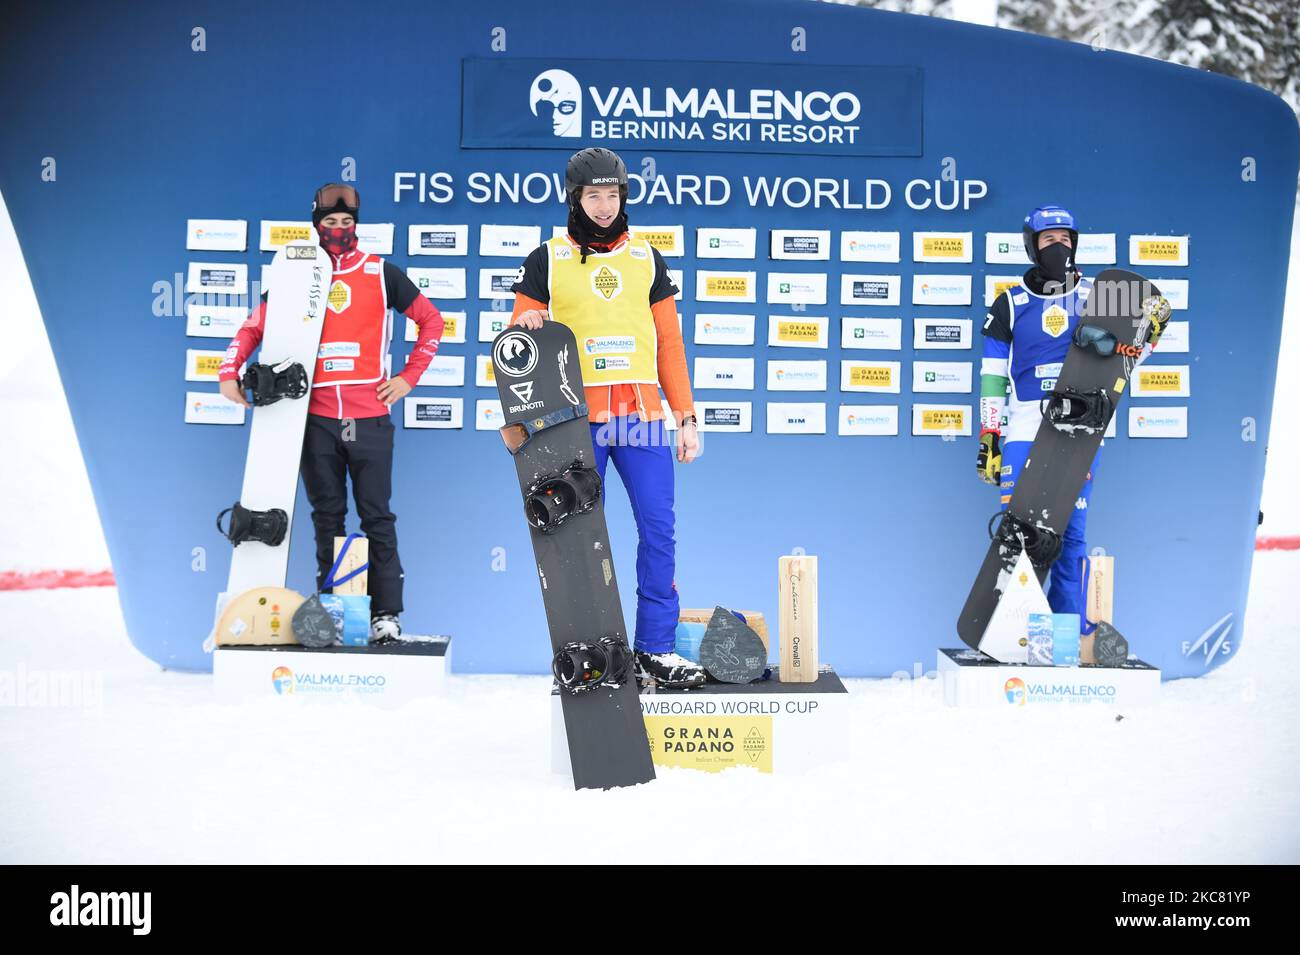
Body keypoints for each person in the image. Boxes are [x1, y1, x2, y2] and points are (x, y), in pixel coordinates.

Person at [510, 147, 706, 688]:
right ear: (575, 198)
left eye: (612, 195)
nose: (603, 205)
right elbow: (512, 352)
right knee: (571, 535)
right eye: (593, 195)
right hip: (575, 419)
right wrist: (527, 324)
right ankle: (578, 654)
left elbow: (669, 343)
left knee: (658, 529)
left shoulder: (647, 258)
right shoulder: (546, 258)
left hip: (640, 416)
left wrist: (685, 417)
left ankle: (655, 650)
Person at [219, 184, 444, 642]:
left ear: (356, 225)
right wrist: (229, 369)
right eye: (330, 223)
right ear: (316, 224)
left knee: (376, 518)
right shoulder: (295, 277)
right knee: (328, 518)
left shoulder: (382, 273)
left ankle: (385, 616)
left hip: (369, 417)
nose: (338, 230)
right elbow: (254, 326)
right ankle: (337, 610)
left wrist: (409, 377)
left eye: (346, 223)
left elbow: (431, 321)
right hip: (316, 418)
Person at [977, 204, 1164, 632]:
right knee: (1022, 537)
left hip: (1080, 431)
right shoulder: (1010, 302)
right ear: (1032, 246)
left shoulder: (1098, 295)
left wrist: (1134, 341)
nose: (1059, 247)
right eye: (1049, 240)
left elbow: (1140, 341)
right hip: (1025, 428)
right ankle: (1020, 634)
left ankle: (1071, 635)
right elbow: (991, 376)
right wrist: (990, 436)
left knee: (1070, 538)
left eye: (1066, 240)